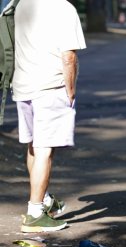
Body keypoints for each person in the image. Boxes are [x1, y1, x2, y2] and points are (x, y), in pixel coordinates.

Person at [12, 0, 86, 232]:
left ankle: (42, 200)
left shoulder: (22, 3)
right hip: (51, 87)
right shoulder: (63, 8)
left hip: (23, 85)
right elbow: (68, 57)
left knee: (34, 146)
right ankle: (35, 214)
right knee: (45, 149)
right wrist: (70, 90)